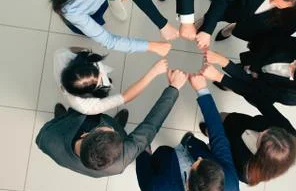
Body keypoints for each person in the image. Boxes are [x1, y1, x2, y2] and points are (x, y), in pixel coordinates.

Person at [36, 69, 188, 178]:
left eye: (109, 130)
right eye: (110, 130)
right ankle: (117, 124)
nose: (110, 129)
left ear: (87, 134)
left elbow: (44, 134)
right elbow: (151, 125)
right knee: (114, 125)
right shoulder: (121, 160)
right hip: (75, 128)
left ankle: (68, 116)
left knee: (70, 117)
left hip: (67, 129)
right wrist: (174, 88)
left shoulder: (47, 139)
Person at [135, 74, 240, 191]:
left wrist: (143, 146)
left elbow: (144, 168)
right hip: (190, 146)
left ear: (188, 184)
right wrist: (202, 90)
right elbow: (218, 136)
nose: (201, 157)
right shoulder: (231, 184)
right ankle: (187, 142)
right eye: (204, 160)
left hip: (162, 162)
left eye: (197, 163)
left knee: (161, 153)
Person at [201, 37, 296, 106]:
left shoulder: (295, 97)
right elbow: (274, 42)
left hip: (259, 85)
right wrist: (254, 66)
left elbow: (255, 90)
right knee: (242, 68)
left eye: (294, 73)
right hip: (260, 60)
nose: (291, 65)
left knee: (239, 84)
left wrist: (223, 72)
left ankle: (228, 85)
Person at [199, 102, 296, 185]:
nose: (261, 131)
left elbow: (222, 156)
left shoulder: (247, 172)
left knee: (211, 139)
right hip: (234, 121)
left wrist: (214, 136)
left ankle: (209, 131)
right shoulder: (290, 133)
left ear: (262, 154)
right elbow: (265, 106)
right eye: (267, 130)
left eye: (261, 138)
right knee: (221, 117)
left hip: (224, 145)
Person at [54, 47, 169, 115]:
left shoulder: (61, 55)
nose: (100, 74)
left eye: (96, 70)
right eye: (98, 81)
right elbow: (126, 97)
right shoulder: (87, 106)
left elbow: (76, 49)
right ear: (88, 93)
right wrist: (153, 72)